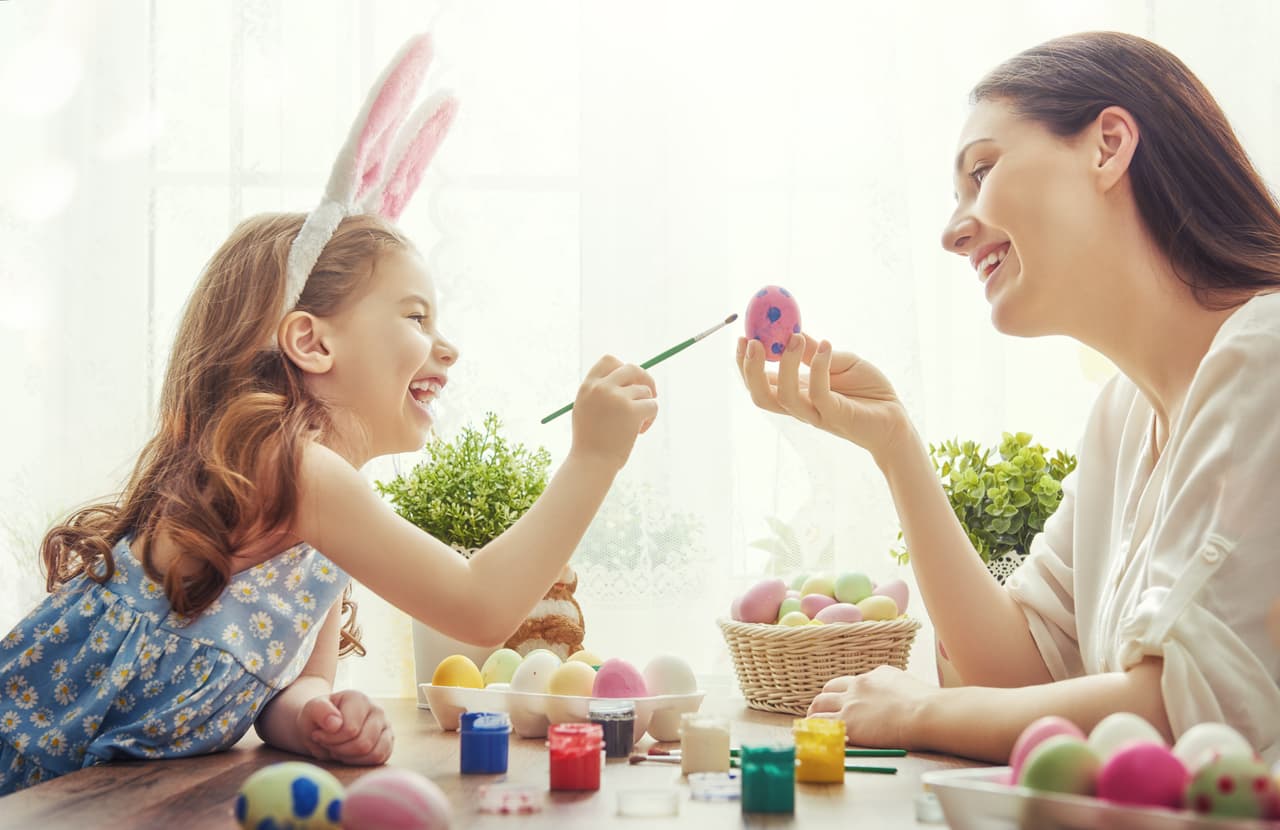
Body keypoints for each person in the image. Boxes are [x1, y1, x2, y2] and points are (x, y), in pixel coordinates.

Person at [0, 35, 658, 795]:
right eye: (414, 316)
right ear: (311, 342)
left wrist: (317, 714)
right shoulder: (297, 472)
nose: (445, 348)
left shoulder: (318, 510)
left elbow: (286, 687)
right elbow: (480, 607)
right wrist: (593, 460)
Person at [736, 31, 1280, 764]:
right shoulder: (1122, 420)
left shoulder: (1266, 357)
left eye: (982, 172)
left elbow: (1182, 710)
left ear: (1107, 145)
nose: (954, 233)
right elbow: (1011, 669)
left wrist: (920, 712)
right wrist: (896, 446)